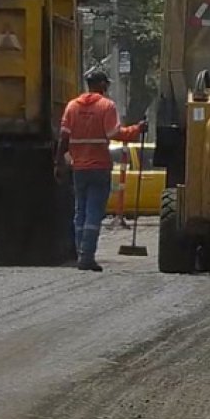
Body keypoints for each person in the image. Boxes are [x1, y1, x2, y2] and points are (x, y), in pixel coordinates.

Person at [55, 69, 147, 272]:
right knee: (94, 213)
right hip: (99, 168)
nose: (107, 88)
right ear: (101, 85)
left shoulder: (72, 107)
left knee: (80, 212)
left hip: (78, 168)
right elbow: (116, 134)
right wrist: (138, 129)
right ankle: (87, 257)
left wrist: (58, 163)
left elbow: (64, 138)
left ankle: (81, 253)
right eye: (106, 84)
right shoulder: (106, 106)